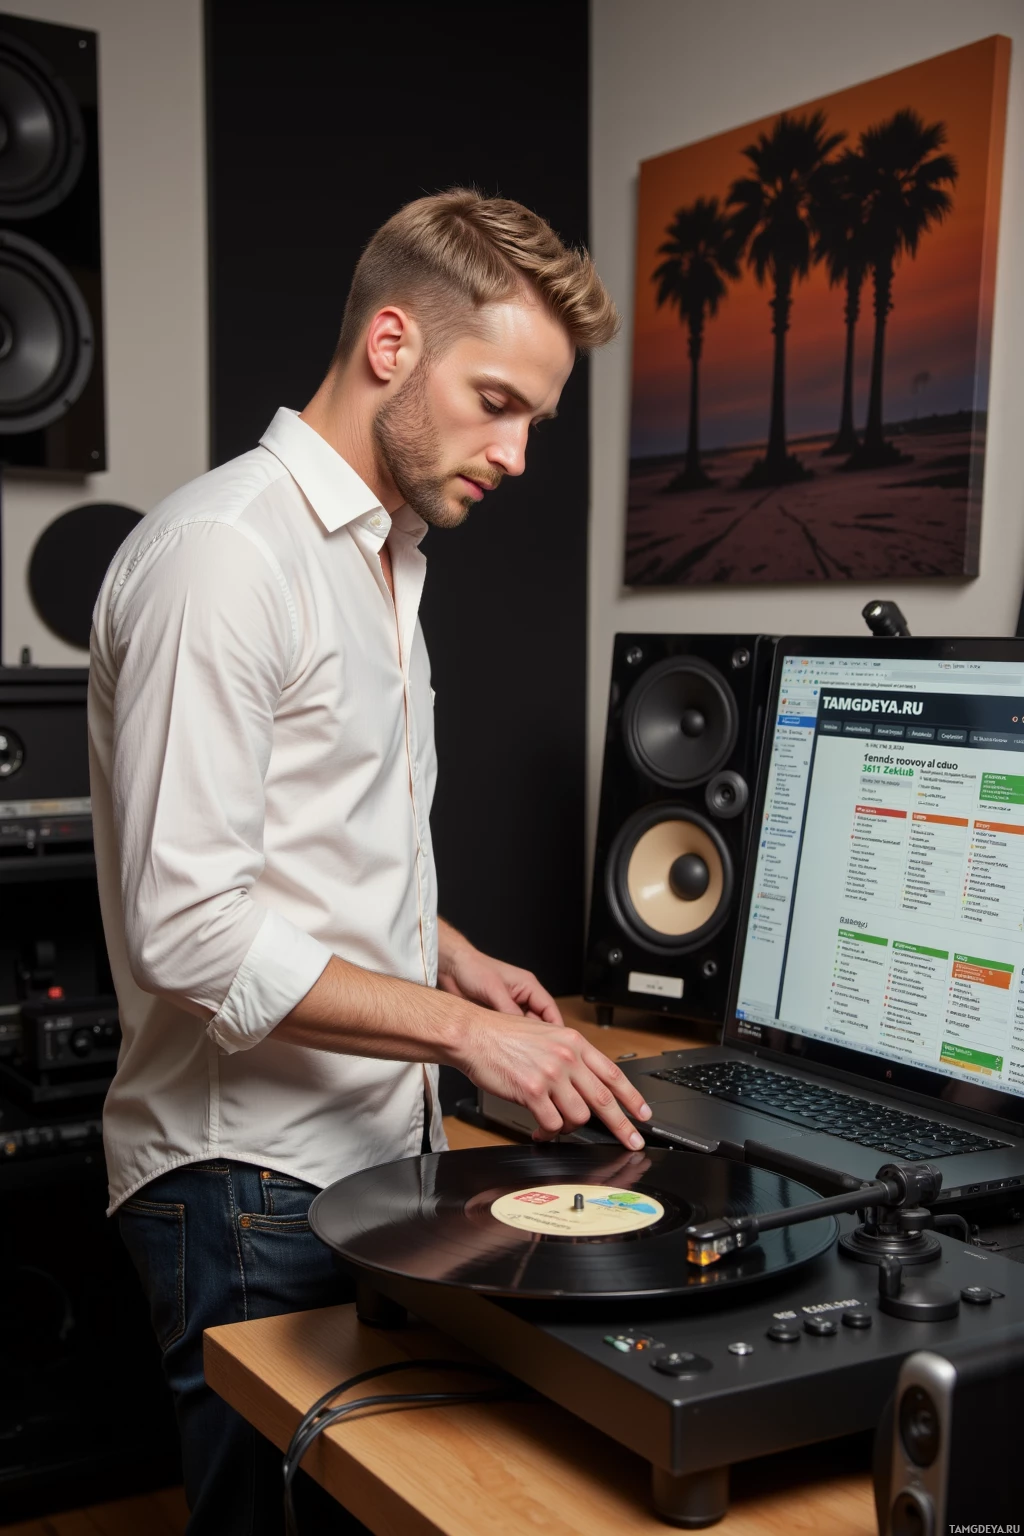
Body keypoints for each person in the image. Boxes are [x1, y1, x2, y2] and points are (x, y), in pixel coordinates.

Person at [87, 188, 651, 1534]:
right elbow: (194, 933)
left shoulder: (386, 560)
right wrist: (460, 1034)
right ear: (391, 343)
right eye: (498, 401)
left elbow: (311, 839)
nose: (517, 454)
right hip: (241, 1183)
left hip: (352, 1153)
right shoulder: (226, 558)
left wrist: (450, 954)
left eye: (535, 421)